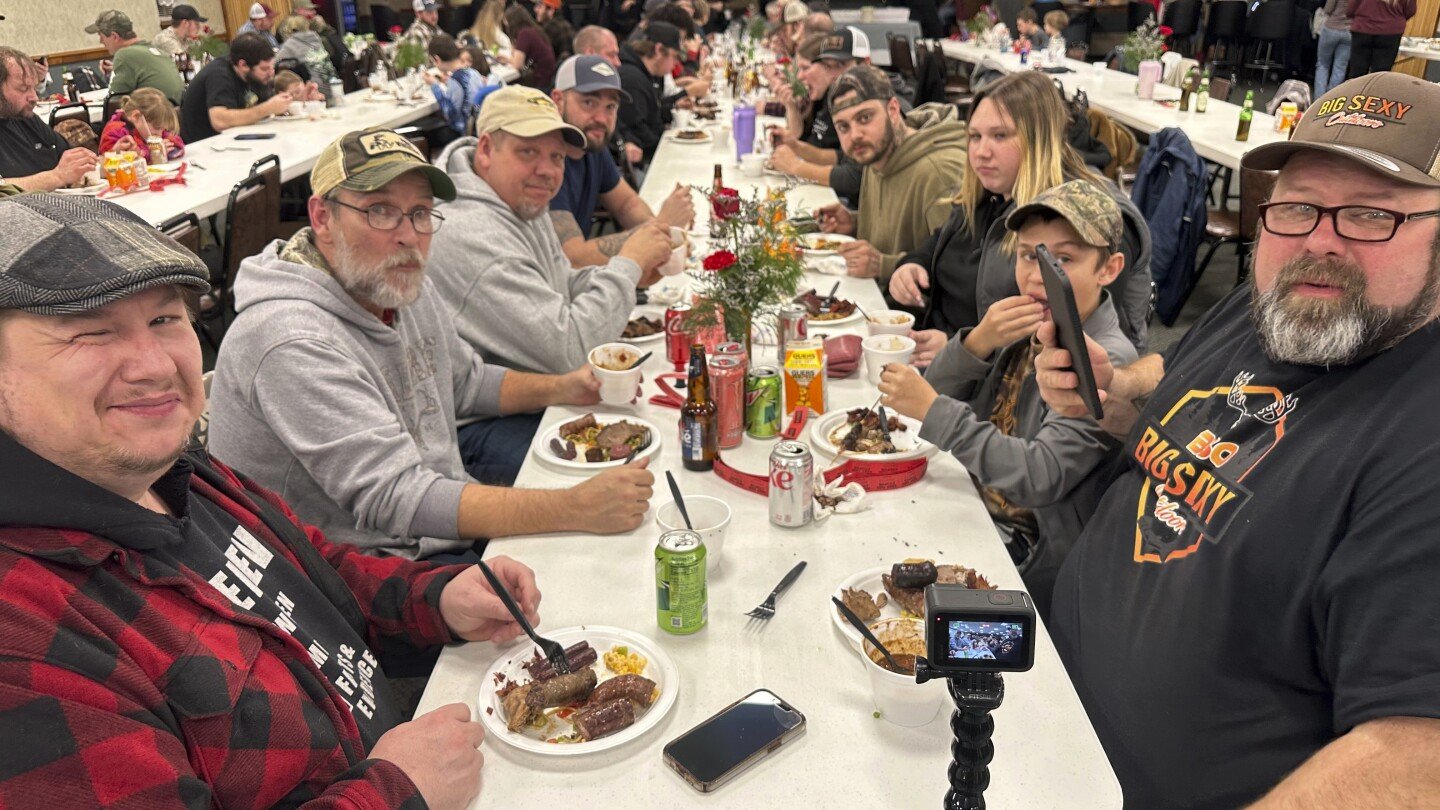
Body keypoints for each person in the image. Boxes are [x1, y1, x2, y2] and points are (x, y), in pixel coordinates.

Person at [0, 191, 546, 808]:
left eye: (165, 319)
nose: (154, 365)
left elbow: (311, 574)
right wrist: (395, 792)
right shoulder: (22, 637)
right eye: (90, 332)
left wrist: (435, 597)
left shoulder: (170, 467)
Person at [1034, 73, 1440, 808]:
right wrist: (1114, 396)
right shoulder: (1272, 306)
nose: (1320, 241)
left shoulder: (1420, 440)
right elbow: (1187, 415)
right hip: (1038, 698)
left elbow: (1416, 758)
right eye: (1295, 206)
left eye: (1369, 216)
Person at [209, 127, 656, 557]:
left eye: (421, 212)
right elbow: (395, 498)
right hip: (360, 575)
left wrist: (564, 387)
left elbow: (464, 382)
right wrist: (572, 507)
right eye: (380, 210)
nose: (409, 235)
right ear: (323, 217)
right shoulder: (289, 339)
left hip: (429, 525)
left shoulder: (395, 283)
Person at [877, 180, 1137, 617]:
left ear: (1108, 269)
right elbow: (936, 390)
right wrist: (977, 342)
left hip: (1028, 549)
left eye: (1063, 259)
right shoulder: (1029, 319)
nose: (1037, 276)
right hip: (972, 492)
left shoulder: (1103, 358)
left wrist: (932, 409)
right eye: (1027, 255)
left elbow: (1039, 475)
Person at [889, 71, 1152, 367]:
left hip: (1010, 388)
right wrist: (914, 262)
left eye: (1000, 135)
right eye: (975, 136)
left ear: (1039, 138)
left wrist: (961, 347)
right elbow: (946, 236)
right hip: (947, 362)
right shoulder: (992, 189)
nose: (981, 152)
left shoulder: (1086, 214)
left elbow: (1075, 348)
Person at [430, 86, 672, 376]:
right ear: (485, 150)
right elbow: (569, 351)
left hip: (539, 383)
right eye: (528, 151)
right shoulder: (471, 234)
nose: (547, 170)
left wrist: (628, 275)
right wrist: (629, 265)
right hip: (492, 414)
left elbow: (560, 283)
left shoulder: (518, 197)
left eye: (557, 157)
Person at [814, 66, 967, 288]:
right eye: (843, 127)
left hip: (914, 317)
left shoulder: (939, 173)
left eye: (865, 117)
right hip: (875, 298)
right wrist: (855, 222)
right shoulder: (875, 153)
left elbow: (960, 274)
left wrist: (883, 266)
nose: (855, 135)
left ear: (893, 111)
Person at [546, 54, 695, 267]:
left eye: (610, 107)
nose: (601, 118)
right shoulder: (546, 161)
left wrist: (662, 237)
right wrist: (662, 226)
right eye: (589, 102)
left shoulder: (592, 146)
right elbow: (572, 258)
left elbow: (626, 204)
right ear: (558, 101)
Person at [768, 30, 865, 197]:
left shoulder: (871, 104)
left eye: (841, 66)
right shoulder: (833, 97)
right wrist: (796, 147)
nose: (833, 75)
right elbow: (843, 157)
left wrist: (796, 167)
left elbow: (856, 177)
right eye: (828, 66)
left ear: (866, 64)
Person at [0, 46, 97, 192]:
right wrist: (56, 177)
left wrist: (111, 159)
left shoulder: (24, 117)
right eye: (23, 88)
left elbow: (71, 161)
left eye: (34, 87)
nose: (34, 97)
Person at [180, 33, 295, 142]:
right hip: (205, 146)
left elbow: (266, 104)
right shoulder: (219, 75)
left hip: (235, 139)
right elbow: (220, 121)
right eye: (265, 69)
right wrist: (267, 108)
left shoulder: (255, 76)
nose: (271, 73)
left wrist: (286, 104)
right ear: (243, 65)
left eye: (272, 67)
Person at [616, 21, 684, 165]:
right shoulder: (633, 79)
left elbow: (651, 113)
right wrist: (668, 147)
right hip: (643, 161)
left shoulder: (645, 75)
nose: (675, 64)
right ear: (659, 50)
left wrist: (674, 106)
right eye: (674, 56)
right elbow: (637, 128)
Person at [86, 9, 185, 105]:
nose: (101, 41)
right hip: (175, 114)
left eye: (101, 36)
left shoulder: (124, 55)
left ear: (114, 36)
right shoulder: (158, 52)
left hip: (154, 118)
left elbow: (114, 102)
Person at [424, 34, 485, 142]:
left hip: (462, 133)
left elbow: (450, 115)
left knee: (424, 133)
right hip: (478, 127)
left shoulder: (455, 80)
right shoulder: (473, 72)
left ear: (437, 59)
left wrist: (435, 85)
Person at [98, 87, 185, 159]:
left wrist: (170, 146)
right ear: (136, 116)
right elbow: (112, 162)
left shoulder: (153, 130)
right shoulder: (115, 132)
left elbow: (176, 142)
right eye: (157, 127)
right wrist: (152, 154)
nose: (160, 133)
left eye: (163, 129)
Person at [274, 16, 339, 100]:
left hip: (315, 89)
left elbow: (275, 63)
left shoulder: (290, 43)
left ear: (288, 29)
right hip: (333, 86)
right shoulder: (315, 38)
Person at [1346, 0, 1414, 77]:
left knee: (1357, 71)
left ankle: (1356, 88)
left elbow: (1350, 9)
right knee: (1381, 74)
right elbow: (1410, 11)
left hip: (1363, 29)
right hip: (1391, 32)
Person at [506, 4, 558, 90]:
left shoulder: (525, 34)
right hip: (547, 79)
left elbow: (517, 64)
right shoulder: (534, 30)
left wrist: (507, 59)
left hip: (540, 83)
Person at [1315, 0, 1352, 96]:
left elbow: (1328, 9)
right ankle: (1331, 99)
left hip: (1331, 28)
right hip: (1349, 31)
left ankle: (1319, 99)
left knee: (1323, 65)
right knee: (1340, 67)